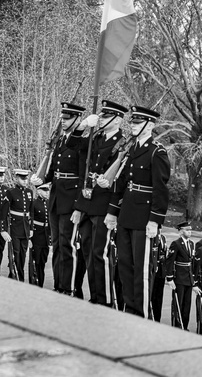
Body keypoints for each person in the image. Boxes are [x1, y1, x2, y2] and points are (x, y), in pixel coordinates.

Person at [104, 105, 170, 318]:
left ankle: (140, 314)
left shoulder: (156, 152)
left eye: (137, 122)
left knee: (142, 270)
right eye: (131, 122)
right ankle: (129, 310)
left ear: (149, 125)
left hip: (144, 217)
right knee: (125, 266)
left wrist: (154, 221)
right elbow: (122, 182)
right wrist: (112, 212)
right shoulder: (131, 149)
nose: (132, 125)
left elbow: (161, 189)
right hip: (126, 214)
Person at [73, 99, 127, 306]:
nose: (101, 119)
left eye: (105, 116)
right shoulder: (95, 138)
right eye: (101, 116)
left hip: (104, 205)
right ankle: (94, 296)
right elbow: (72, 145)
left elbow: (121, 179)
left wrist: (113, 206)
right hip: (87, 202)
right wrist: (83, 126)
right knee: (87, 252)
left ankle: (105, 300)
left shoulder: (123, 143)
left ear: (117, 120)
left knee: (100, 254)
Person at [32, 101, 86, 295]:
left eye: (68, 118)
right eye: (62, 118)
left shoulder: (81, 142)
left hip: (70, 198)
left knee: (67, 244)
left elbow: (83, 176)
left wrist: (79, 204)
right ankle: (58, 284)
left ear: (78, 119)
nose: (63, 122)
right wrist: (40, 179)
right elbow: (53, 170)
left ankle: (69, 286)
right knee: (56, 243)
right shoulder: (60, 141)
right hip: (55, 197)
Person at [2, 169, 33, 281]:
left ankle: (20, 275)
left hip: (25, 228)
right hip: (14, 227)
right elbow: (4, 212)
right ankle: (16, 276)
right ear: (16, 178)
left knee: (23, 255)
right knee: (16, 253)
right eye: (22, 179)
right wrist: (3, 229)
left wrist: (31, 228)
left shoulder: (29, 192)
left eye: (26, 179)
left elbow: (31, 212)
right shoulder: (11, 192)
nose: (25, 181)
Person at [166, 221, 196, 331]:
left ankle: (185, 326)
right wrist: (170, 278)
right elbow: (169, 261)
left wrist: (193, 279)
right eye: (187, 230)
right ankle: (177, 326)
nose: (189, 232)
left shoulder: (192, 244)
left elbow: (192, 262)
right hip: (179, 277)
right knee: (178, 302)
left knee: (187, 304)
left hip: (188, 278)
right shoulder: (176, 244)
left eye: (190, 230)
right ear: (181, 231)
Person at [30, 182, 51, 287]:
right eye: (44, 190)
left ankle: (40, 282)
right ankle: (35, 282)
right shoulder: (33, 203)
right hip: (36, 235)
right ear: (38, 191)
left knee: (43, 260)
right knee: (36, 261)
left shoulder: (49, 203)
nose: (47, 192)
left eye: (47, 190)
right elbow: (31, 219)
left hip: (46, 236)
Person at [150, 227, 168, 322]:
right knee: (153, 295)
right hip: (155, 269)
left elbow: (164, 253)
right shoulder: (153, 237)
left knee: (159, 296)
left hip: (161, 271)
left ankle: (157, 317)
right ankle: (151, 316)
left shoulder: (163, 238)